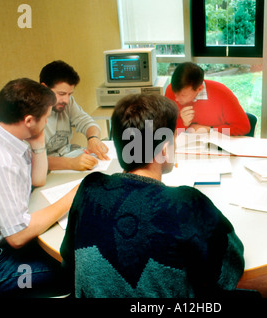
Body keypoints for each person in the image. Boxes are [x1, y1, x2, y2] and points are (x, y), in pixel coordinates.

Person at [60, 94, 246, 298]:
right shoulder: (187, 203)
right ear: (165, 149)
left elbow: (70, 263)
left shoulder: (89, 187)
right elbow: (229, 270)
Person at [0, 78, 78, 298]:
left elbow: (37, 180)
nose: (47, 123)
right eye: (46, 118)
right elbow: (18, 236)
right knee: (74, 272)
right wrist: (73, 197)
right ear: (29, 120)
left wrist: (38, 143)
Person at [40, 60, 109, 171]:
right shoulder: (30, 113)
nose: (66, 100)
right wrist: (71, 163)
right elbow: (32, 161)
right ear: (44, 88)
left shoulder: (66, 102)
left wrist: (93, 138)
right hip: (47, 171)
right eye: (61, 94)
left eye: (70, 94)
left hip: (68, 159)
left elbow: (87, 122)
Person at [165, 62, 250, 136]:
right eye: (175, 93)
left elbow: (243, 127)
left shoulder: (221, 93)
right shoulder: (170, 90)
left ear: (199, 89)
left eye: (183, 95)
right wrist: (183, 123)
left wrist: (210, 130)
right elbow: (165, 129)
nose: (176, 99)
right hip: (184, 148)